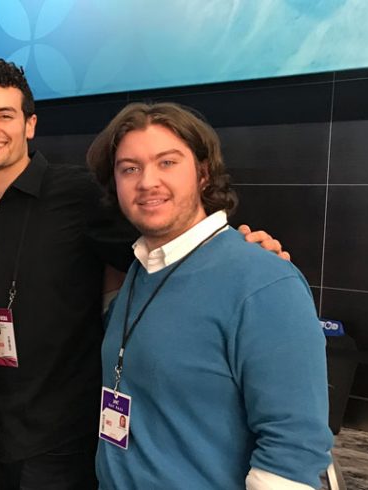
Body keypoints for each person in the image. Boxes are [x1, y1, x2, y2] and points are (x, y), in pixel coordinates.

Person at [0, 58, 289, 489]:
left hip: (63, 442)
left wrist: (239, 252)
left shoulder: (80, 196)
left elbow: (169, 236)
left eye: (5, 114)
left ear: (30, 124)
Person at [86, 102, 331, 488]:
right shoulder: (140, 269)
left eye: (167, 162)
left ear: (202, 173)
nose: (147, 181)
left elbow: (293, 450)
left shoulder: (265, 282)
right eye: (129, 168)